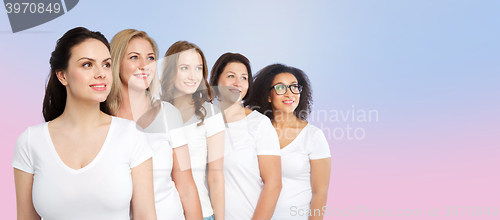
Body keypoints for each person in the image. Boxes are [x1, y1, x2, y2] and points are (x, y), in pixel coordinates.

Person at [12, 27, 157, 220]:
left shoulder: (131, 136)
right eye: (87, 65)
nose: (101, 73)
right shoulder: (31, 141)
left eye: (106, 65)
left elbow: (146, 215)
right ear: (62, 75)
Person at [106, 29, 202, 220]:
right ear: (116, 63)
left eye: (150, 58)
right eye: (134, 57)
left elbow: (186, 187)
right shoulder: (101, 118)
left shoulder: (169, 115)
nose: (144, 65)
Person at [245, 64, 331, 220]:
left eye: (294, 87)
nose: (289, 94)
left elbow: (320, 192)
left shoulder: (313, 136)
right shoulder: (254, 130)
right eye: (280, 88)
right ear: (268, 95)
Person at [209, 53, 282, 220]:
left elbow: (274, 184)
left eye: (243, 78)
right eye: (231, 76)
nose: (237, 82)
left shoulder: (259, 124)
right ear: (216, 80)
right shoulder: (203, 122)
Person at [161, 41, 225, 220]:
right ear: (170, 71)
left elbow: (216, 178)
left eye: (198, 68)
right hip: (163, 214)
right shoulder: (157, 113)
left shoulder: (210, 114)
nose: (193, 76)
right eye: (184, 68)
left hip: (202, 214)